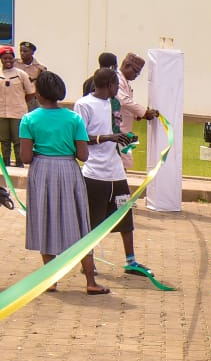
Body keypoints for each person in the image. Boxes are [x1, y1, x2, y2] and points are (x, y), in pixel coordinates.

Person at [19, 71, 107, 294]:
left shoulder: (29, 119)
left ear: (38, 93)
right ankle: (90, 281)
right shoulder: (73, 118)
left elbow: (26, 157)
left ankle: (51, 279)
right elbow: (84, 155)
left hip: (42, 172)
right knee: (79, 223)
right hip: (69, 170)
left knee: (45, 221)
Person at [74, 68, 148, 277]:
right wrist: (105, 138)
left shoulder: (113, 104)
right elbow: (80, 137)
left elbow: (115, 131)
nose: (118, 88)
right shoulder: (83, 104)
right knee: (91, 220)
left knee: (125, 215)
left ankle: (131, 260)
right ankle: (88, 262)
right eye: (116, 84)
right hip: (95, 173)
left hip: (116, 172)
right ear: (108, 84)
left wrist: (124, 139)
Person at [116, 53, 158, 173]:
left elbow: (126, 104)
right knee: (121, 163)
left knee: (125, 162)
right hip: (118, 130)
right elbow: (123, 101)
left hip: (125, 131)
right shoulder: (117, 80)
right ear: (127, 65)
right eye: (136, 72)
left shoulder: (125, 82)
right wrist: (144, 113)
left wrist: (138, 115)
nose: (136, 76)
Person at [0, 45, 36, 168]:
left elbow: (31, 92)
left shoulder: (21, 74)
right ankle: (6, 163)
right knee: (4, 141)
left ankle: (20, 163)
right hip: (2, 113)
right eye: (5, 58)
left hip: (17, 112)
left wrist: (20, 101)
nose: (8, 61)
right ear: (1, 59)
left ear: (14, 59)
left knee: (18, 140)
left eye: (10, 58)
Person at [17, 42, 44, 111]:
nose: (22, 53)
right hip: (16, 98)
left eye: (25, 51)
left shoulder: (40, 68)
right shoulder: (14, 64)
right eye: (21, 51)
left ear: (32, 52)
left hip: (32, 100)